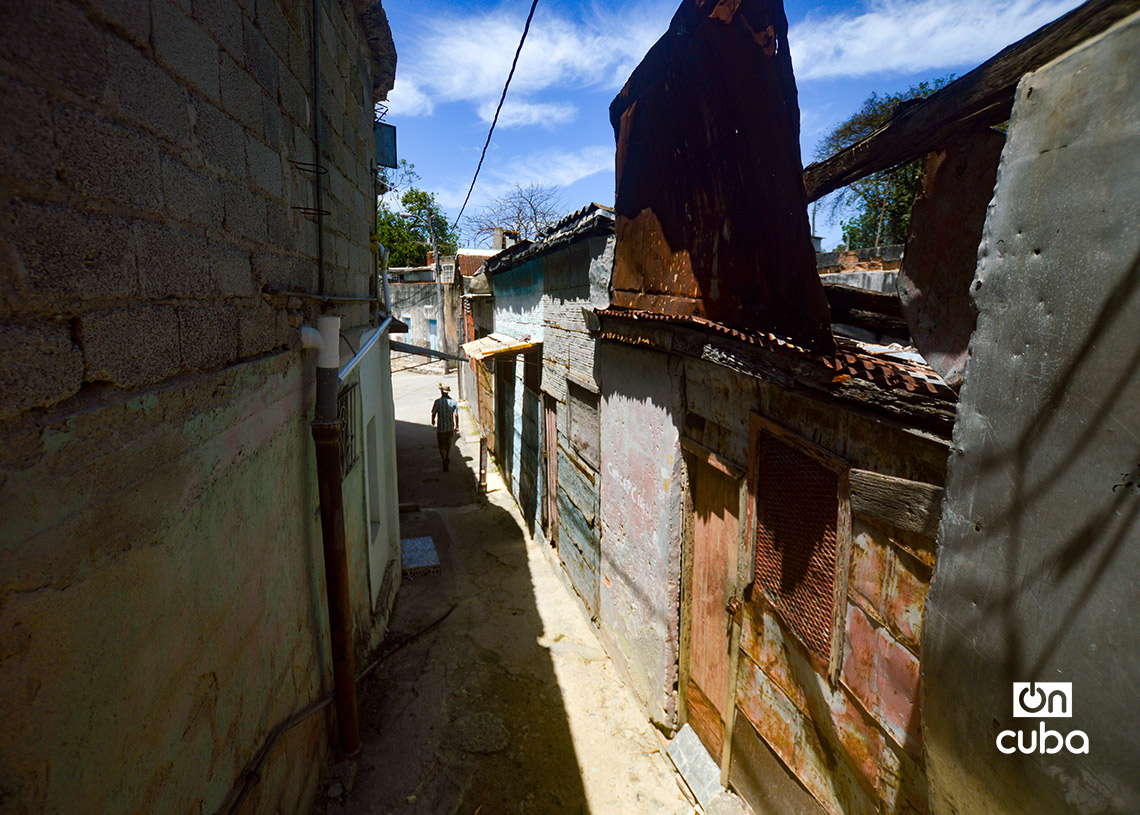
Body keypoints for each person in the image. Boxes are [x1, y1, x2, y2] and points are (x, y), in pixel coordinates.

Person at [431, 383, 458, 470]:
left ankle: (444, 459)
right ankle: (447, 457)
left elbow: (434, 412)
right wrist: (457, 425)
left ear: (441, 392)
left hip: (441, 427)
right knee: (448, 443)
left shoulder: (438, 402)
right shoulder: (453, 401)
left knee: (442, 444)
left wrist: (433, 420)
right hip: (450, 427)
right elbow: (456, 415)